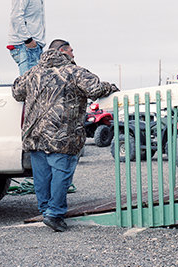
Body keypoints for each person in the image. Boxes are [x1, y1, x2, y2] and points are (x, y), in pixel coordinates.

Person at [11, 39, 118, 232]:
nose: (74, 55)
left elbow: (17, 92)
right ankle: (54, 214)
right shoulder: (74, 72)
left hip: (35, 135)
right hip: (62, 134)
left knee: (42, 176)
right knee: (61, 174)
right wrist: (111, 87)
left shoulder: (34, 72)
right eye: (71, 51)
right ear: (62, 51)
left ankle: (46, 211)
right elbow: (95, 89)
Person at [7, 0, 57, 75]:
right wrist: (28, 40)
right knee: (31, 86)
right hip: (25, 46)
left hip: (34, 47)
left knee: (37, 85)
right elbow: (16, 17)